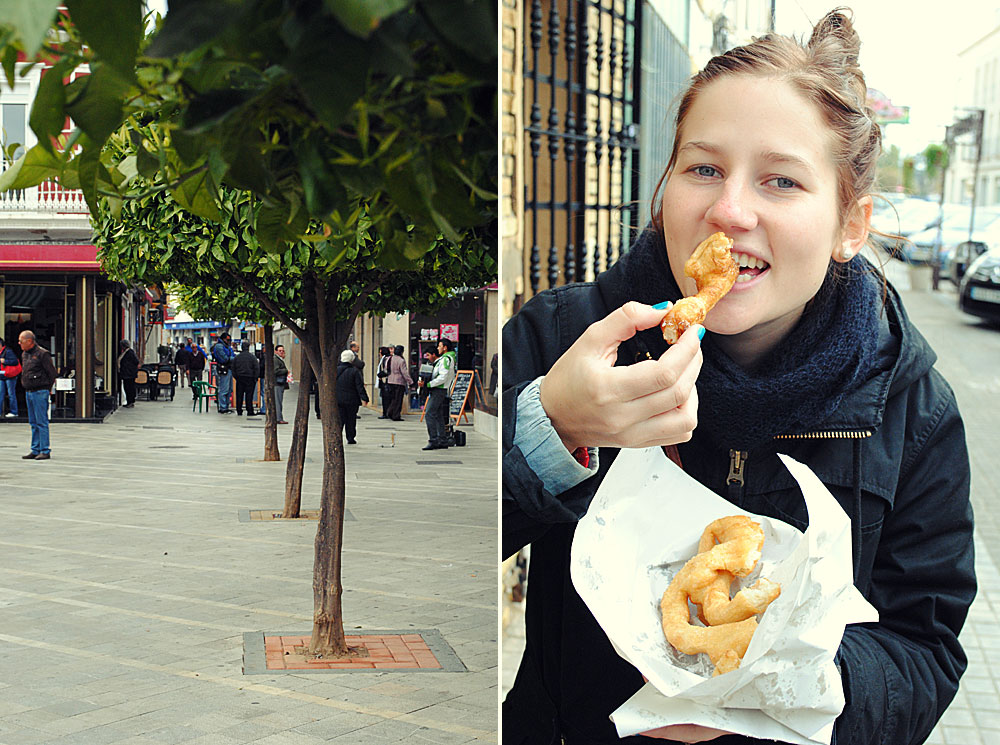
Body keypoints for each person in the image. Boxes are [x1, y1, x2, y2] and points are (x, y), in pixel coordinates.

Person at [502, 11, 975, 745]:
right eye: (703, 168)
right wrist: (552, 429)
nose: (729, 210)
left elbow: (926, 647)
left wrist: (784, 686)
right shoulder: (562, 339)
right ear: (665, 188)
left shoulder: (909, 403)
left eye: (781, 180)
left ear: (851, 224)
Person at [18, 330, 56, 460]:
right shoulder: (25, 354)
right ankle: (35, 449)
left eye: (21, 341)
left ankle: (45, 450)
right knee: (33, 422)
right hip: (29, 391)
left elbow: (51, 373)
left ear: (29, 341)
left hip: (40, 391)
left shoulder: (42, 354)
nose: (19, 343)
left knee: (41, 422)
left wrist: (48, 389)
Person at [418, 338, 455, 450]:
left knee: (429, 413)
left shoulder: (445, 359)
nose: (438, 348)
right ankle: (442, 439)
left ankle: (433, 439)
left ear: (445, 347)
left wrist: (429, 384)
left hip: (439, 389)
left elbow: (443, 376)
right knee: (438, 415)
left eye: (439, 346)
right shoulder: (444, 359)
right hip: (438, 388)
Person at [335, 349, 368, 444]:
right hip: (352, 400)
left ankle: (337, 436)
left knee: (340, 419)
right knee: (351, 419)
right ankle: (350, 437)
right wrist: (364, 398)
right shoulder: (354, 371)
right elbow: (359, 386)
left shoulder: (335, 371)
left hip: (338, 399)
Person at [384, 344, 412, 421]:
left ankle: (390, 412)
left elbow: (386, 369)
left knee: (393, 399)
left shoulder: (389, 359)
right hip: (399, 382)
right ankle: (395, 415)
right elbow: (404, 372)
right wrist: (410, 381)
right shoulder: (401, 360)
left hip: (390, 381)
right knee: (398, 399)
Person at [232, 340, 260, 416]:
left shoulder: (237, 357)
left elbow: (233, 368)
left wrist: (236, 377)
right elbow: (256, 368)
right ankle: (249, 410)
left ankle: (239, 410)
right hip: (250, 378)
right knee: (249, 395)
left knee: (239, 395)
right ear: (248, 347)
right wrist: (255, 378)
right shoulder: (252, 357)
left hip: (240, 378)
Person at [211, 333, 235, 413]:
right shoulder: (219, 346)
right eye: (228, 340)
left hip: (228, 369)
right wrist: (232, 358)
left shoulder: (226, 346)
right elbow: (224, 359)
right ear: (224, 339)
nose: (229, 341)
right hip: (223, 369)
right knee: (224, 389)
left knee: (229, 389)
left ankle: (226, 406)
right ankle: (223, 407)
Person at [0, 336, 21, 417]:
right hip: (2, 376)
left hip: (10, 376)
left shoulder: (8, 351)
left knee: (11, 393)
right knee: (1, 394)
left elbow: (15, 361)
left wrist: (5, 361)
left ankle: (14, 412)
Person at [117, 340, 139, 408]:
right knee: (126, 387)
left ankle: (130, 401)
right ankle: (129, 401)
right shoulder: (125, 352)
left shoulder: (130, 352)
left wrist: (129, 367)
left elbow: (136, 361)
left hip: (129, 374)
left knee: (129, 387)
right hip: (126, 373)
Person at [273, 344, 289, 424]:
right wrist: (285, 371)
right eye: (280, 351)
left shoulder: (279, 359)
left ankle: (278, 417)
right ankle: (278, 418)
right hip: (277, 383)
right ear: (276, 351)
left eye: (283, 351)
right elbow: (275, 371)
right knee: (278, 401)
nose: (282, 352)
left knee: (279, 401)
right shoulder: (276, 360)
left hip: (280, 383)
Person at [376, 346, 392, 418]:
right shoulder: (386, 358)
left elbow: (386, 370)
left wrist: (380, 375)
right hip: (384, 380)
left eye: (380, 352)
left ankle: (386, 413)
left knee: (386, 398)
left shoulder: (386, 359)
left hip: (386, 381)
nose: (379, 353)